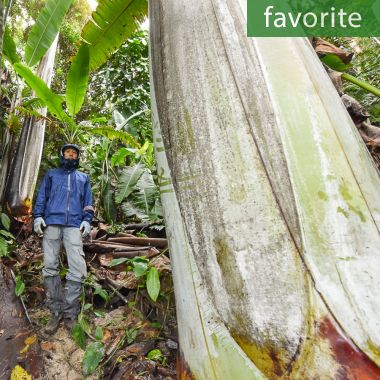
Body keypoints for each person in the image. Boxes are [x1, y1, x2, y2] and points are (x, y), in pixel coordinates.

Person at [33, 144, 94, 335]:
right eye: (68, 153)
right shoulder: (52, 174)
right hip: (52, 222)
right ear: (62, 155)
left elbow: (88, 202)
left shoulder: (83, 178)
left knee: (77, 268)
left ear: (77, 157)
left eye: (74, 153)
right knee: (50, 265)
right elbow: (42, 195)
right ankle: (55, 311)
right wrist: (38, 216)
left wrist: (87, 220)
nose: (70, 155)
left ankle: (70, 313)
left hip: (74, 225)